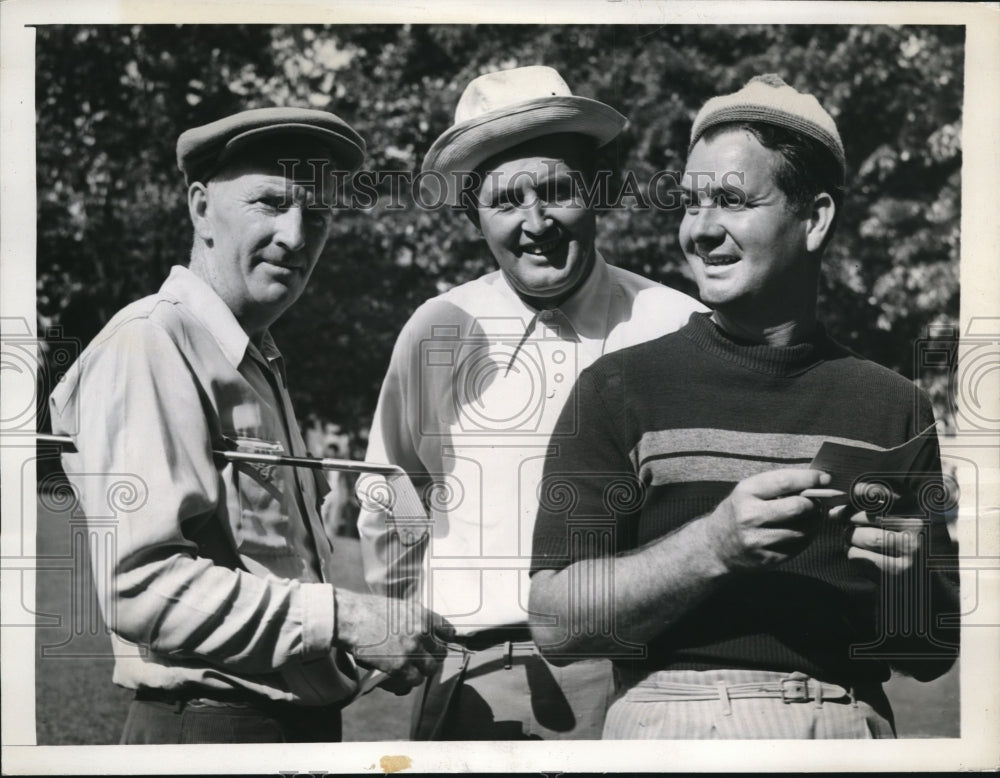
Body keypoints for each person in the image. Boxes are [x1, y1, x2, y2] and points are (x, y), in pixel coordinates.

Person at [529, 75, 960, 739]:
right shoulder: (618, 388)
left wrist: (907, 587)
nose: (700, 231)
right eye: (690, 203)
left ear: (814, 218)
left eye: (730, 201)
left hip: (851, 730)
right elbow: (556, 624)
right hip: (671, 728)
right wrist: (714, 545)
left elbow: (929, 657)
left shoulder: (894, 405)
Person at [49, 107, 447, 744]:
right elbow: (141, 587)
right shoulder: (153, 341)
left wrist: (361, 642)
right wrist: (346, 618)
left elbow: (269, 571)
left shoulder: (255, 358)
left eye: (317, 215)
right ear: (201, 208)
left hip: (286, 728)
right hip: (208, 731)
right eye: (271, 202)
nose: (296, 235)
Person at [356, 66, 706, 740]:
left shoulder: (673, 325)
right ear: (471, 216)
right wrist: (408, 622)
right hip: (476, 677)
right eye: (507, 201)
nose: (536, 222)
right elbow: (389, 495)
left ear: (595, 193)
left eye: (557, 192)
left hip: (646, 683)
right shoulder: (440, 327)